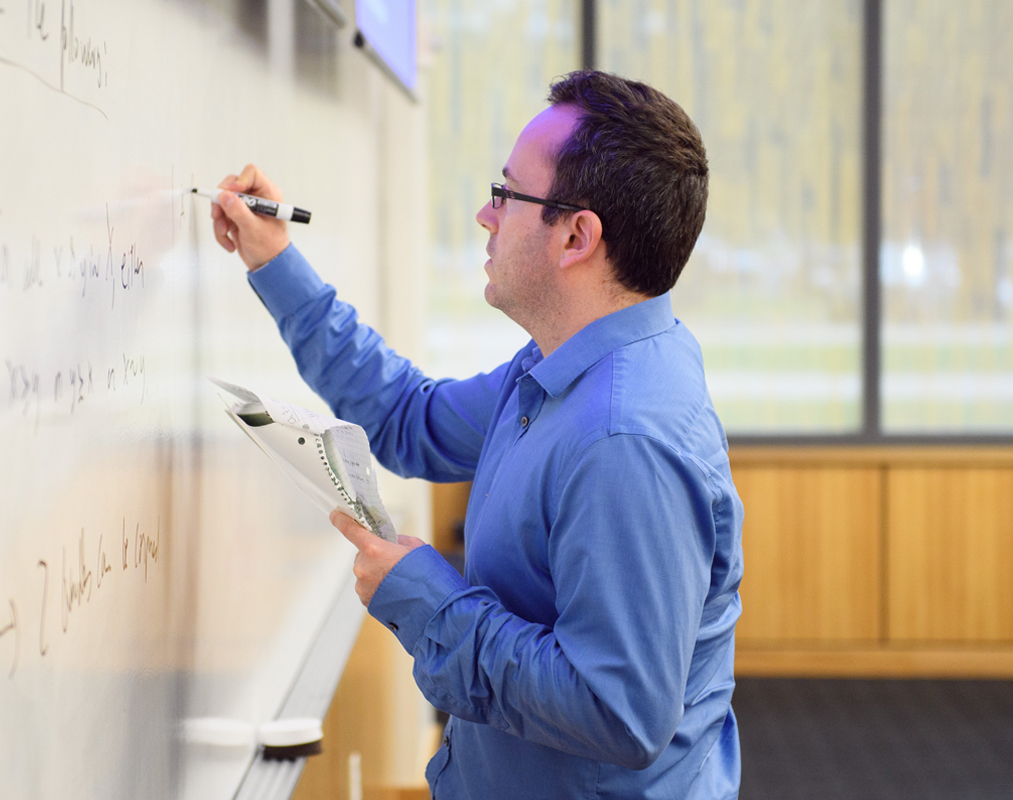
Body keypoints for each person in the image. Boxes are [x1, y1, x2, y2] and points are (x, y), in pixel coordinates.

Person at [210, 70, 742, 800]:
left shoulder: (624, 440)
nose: (486, 216)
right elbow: (408, 418)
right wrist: (273, 260)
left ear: (577, 236)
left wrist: (428, 600)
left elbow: (619, 712)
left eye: (507, 194)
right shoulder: (564, 363)